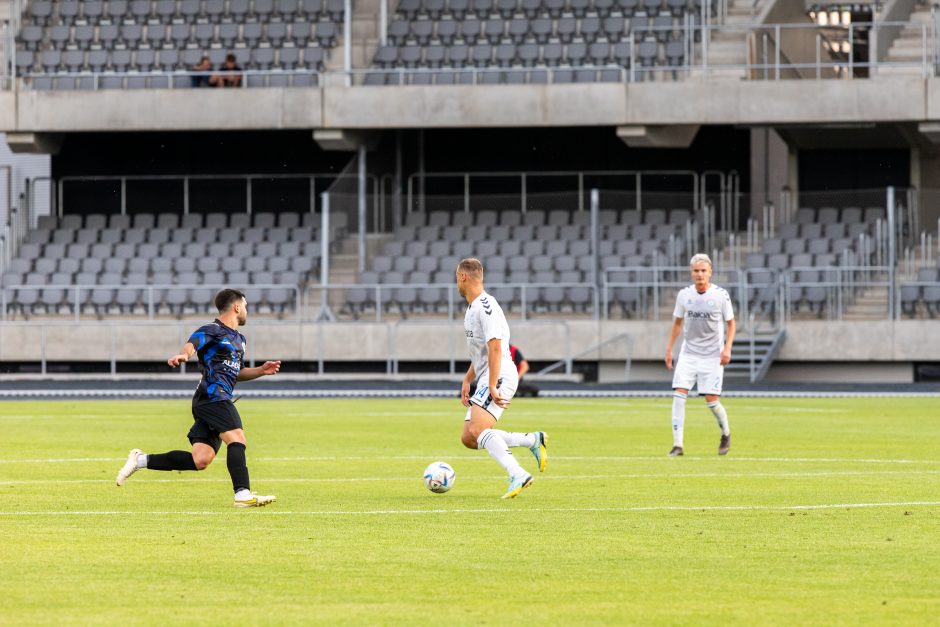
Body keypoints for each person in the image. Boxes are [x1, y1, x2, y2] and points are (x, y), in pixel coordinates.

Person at [116, 289, 280, 507]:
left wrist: (260, 370)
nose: (247, 311)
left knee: (200, 460)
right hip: (212, 397)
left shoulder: (240, 339)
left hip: (215, 399)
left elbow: (236, 372)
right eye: (246, 306)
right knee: (237, 438)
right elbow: (193, 343)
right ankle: (242, 494)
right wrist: (184, 354)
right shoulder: (212, 329)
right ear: (237, 307)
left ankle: (141, 460)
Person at [456, 258, 548, 499]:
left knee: (478, 428)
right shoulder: (472, 307)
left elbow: (495, 347)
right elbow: (482, 354)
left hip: (499, 374)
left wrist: (492, 385)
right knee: (469, 437)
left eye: (457, 277)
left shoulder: (486, 305)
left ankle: (517, 472)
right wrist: (468, 379)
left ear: (463, 277)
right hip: (489, 374)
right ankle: (532, 440)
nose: (457, 282)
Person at [664, 253, 735, 457]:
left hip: (712, 356)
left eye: (703, 271)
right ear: (691, 273)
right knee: (679, 396)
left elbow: (731, 323)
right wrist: (669, 348)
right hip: (689, 354)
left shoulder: (721, 295)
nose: (700, 274)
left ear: (710, 272)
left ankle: (725, 433)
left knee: (712, 402)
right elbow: (678, 323)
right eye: (696, 271)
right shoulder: (684, 295)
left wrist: (727, 348)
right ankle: (678, 445)